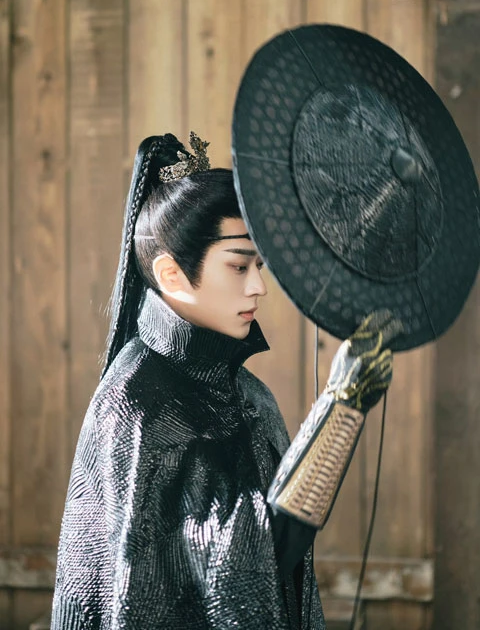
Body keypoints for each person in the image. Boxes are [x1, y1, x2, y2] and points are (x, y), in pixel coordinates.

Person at [51, 133, 397, 630]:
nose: (258, 286)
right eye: (238, 265)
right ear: (172, 275)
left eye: (259, 266)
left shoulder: (250, 394)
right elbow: (248, 570)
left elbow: (270, 566)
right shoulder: (134, 406)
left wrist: (343, 407)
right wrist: (340, 410)